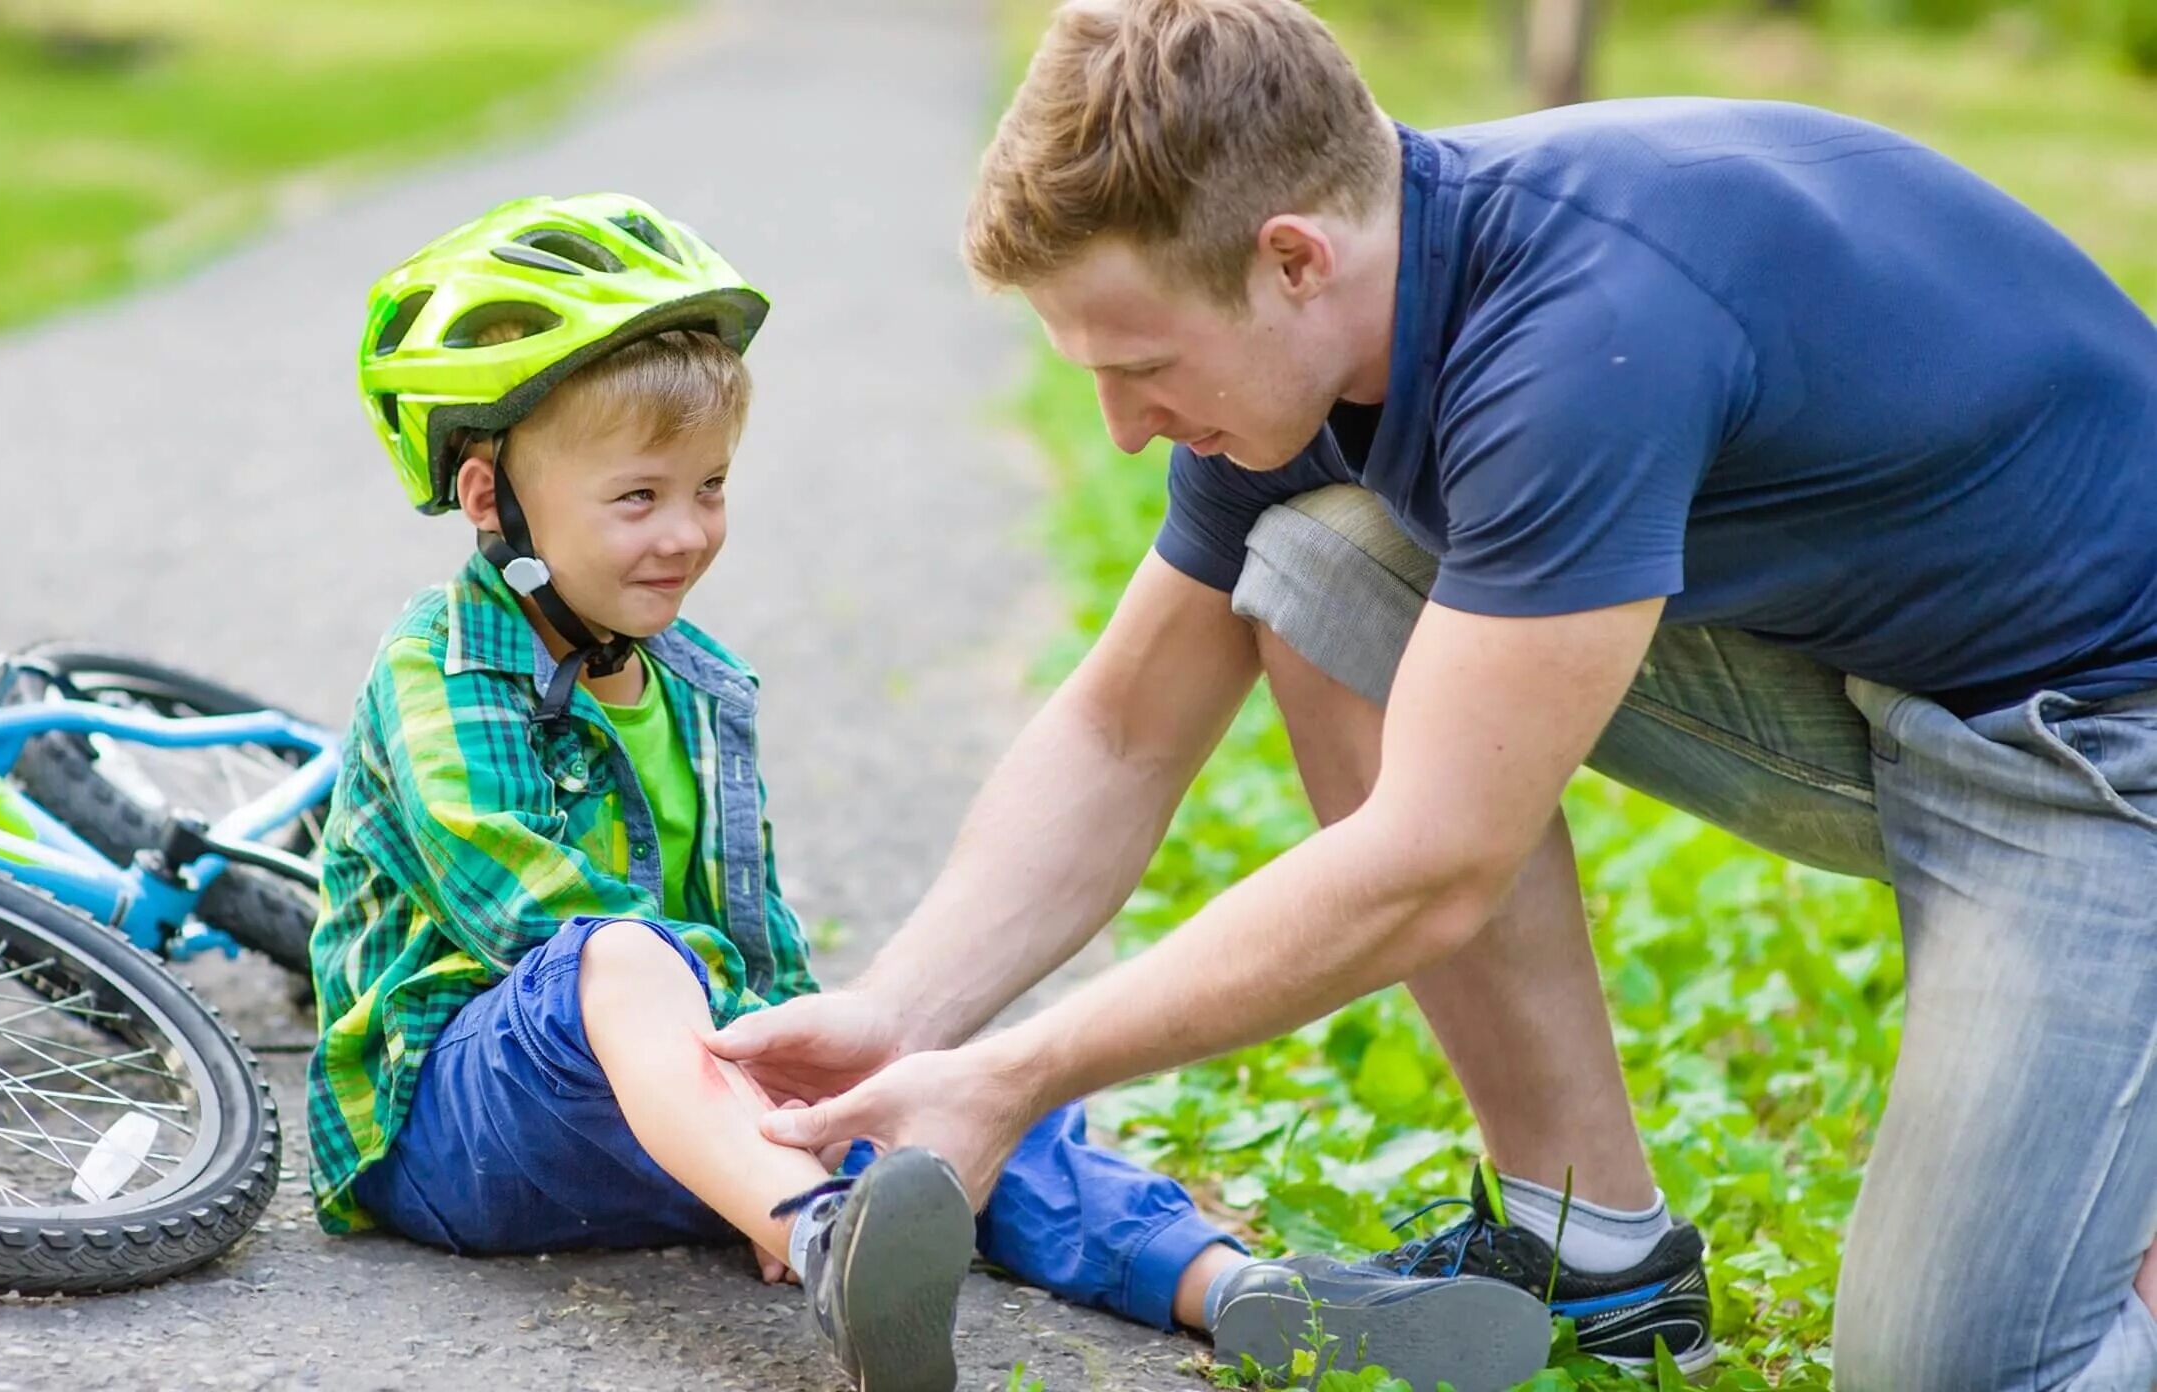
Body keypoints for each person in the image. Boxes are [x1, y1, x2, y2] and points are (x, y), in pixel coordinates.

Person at [707, 1, 2157, 1386]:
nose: (1128, 428)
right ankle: (1589, 1247)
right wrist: (907, 1013)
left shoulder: (1577, 333)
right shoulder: (1326, 318)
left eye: (1143, 366)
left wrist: (1012, 1077)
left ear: (1291, 260)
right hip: (1887, 673)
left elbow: (1434, 863)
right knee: (1328, 566)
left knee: (1962, 1370)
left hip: (2098, 739)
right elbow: (1124, 727)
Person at [306, 192, 1552, 1392]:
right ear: (490, 498)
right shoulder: (443, 663)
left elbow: (751, 932)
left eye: (710, 488)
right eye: (636, 498)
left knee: (945, 1086)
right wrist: (769, 1104)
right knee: (616, 959)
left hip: (683, 1114)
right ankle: (825, 1238)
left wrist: (826, 1082)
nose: (685, 534)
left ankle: (1235, 1291)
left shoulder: (695, 683)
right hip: (457, 1126)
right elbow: (523, 904)